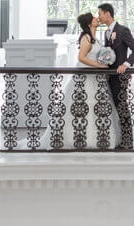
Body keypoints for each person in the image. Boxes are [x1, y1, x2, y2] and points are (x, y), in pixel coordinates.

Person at [42, 11, 119, 149]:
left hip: (96, 79)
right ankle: (79, 139)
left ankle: (98, 139)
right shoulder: (86, 38)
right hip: (85, 79)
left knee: (96, 107)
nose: (97, 18)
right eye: (94, 18)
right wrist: (99, 66)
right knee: (83, 106)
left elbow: (96, 54)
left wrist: (106, 60)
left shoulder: (95, 38)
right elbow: (81, 57)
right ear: (90, 23)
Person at [97, 2, 134, 147]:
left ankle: (128, 140)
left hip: (121, 76)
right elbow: (108, 53)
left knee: (122, 105)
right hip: (110, 75)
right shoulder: (106, 33)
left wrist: (126, 64)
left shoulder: (122, 30)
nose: (99, 17)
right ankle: (119, 137)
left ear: (107, 13)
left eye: (100, 13)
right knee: (115, 105)